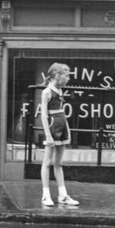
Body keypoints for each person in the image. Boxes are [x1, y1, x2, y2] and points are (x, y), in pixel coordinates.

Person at [39, 62, 79, 206]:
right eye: (66, 76)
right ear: (57, 76)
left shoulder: (60, 90)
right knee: (47, 162)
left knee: (58, 163)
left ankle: (62, 195)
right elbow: (43, 115)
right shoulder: (47, 92)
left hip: (61, 127)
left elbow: (61, 111)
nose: (68, 79)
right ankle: (45, 195)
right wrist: (48, 135)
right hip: (52, 128)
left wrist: (66, 130)